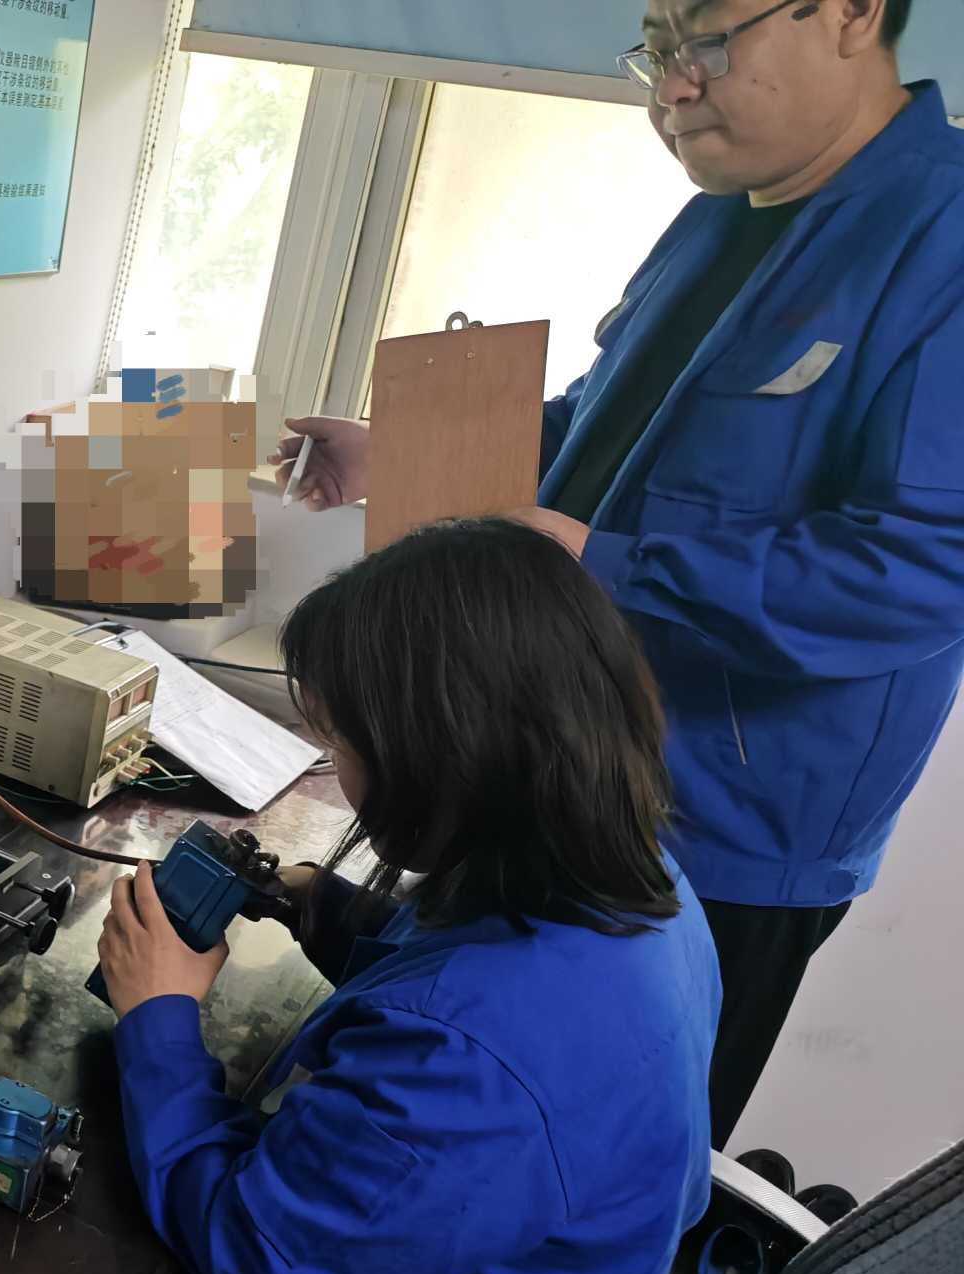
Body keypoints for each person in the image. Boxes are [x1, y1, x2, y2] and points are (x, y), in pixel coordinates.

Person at [280, 0, 964, 1150]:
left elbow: (918, 569)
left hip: (719, 828)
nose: (671, 88)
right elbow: (599, 432)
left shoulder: (940, 240)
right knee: (446, 1106)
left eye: (705, 42)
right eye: (655, 48)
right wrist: (402, 452)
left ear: (850, 13)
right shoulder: (719, 214)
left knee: (595, 1160)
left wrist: (606, 567)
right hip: (551, 761)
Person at [93, 520, 721, 1274]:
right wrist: (328, 910)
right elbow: (471, 973)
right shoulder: (647, 893)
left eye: (341, 743)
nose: (335, 766)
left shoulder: (469, 1062)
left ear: (443, 758)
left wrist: (158, 1017)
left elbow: (258, 1251)